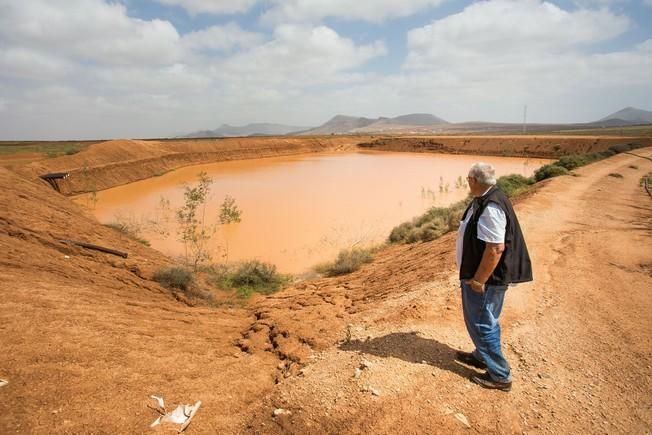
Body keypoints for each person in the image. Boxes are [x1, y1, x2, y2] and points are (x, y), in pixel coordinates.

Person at [455, 162, 533, 391]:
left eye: (468, 178)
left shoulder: (491, 206)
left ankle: (500, 375)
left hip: (485, 280)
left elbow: (495, 248)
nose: (467, 181)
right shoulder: (487, 198)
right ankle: (482, 356)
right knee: (486, 320)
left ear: (473, 180)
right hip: (484, 277)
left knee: (482, 323)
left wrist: (478, 280)